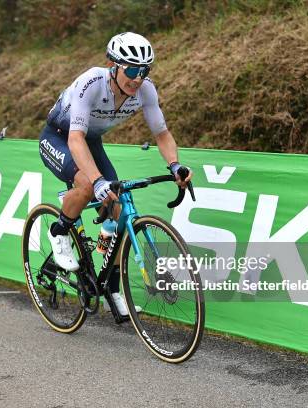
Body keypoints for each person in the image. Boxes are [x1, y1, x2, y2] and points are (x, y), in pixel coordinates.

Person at [39, 32, 192, 315]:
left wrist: (174, 165)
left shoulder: (146, 90)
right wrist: (97, 181)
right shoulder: (92, 82)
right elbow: (75, 140)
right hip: (60, 137)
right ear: (114, 64)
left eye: (144, 71)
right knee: (87, 185)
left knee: (120, 213)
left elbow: (162, 134)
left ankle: (110, 285)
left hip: (91, 141)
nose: (137, 78)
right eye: (132, 70)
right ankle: (59, 230)